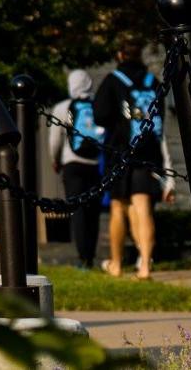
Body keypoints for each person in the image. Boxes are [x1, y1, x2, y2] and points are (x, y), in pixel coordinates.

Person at [93, 42, 169, 279]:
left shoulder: (112, 81)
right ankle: (145, 264)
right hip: (148, 153)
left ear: (120, 54)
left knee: (118, 208)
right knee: (143, 208)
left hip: (120, 152)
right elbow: (161, 117)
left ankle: (116, 263)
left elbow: (100, 116)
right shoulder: (152, 81)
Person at [48, 68, 106, 269]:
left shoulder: (63, 107)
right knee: (93, 212)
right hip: (94, 164)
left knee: (78, 211)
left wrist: (55, 160)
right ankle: (90, 254)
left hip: (72, 164)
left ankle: (83, 258)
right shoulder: (98, 106)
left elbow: (55, 139)